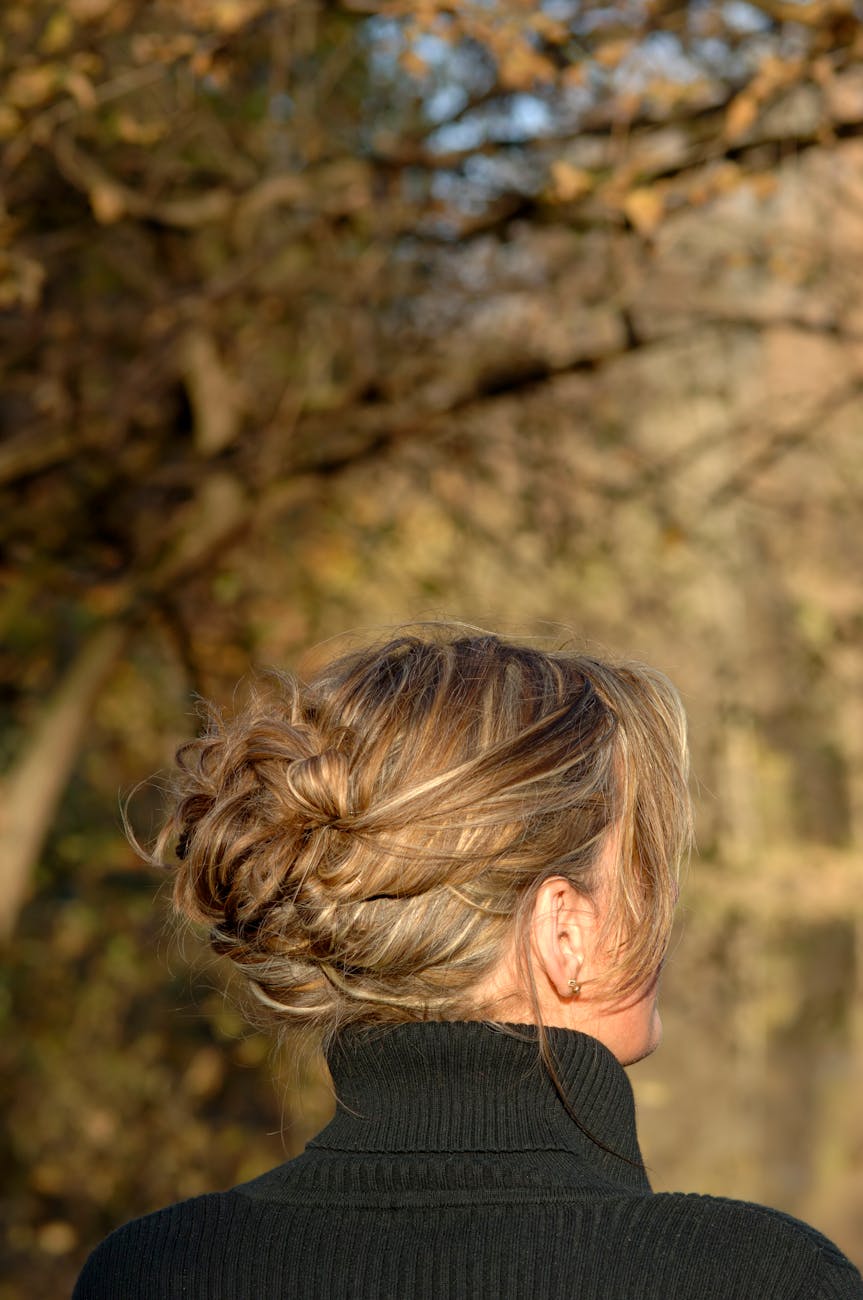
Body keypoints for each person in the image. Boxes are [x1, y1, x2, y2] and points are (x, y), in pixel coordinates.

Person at [74, 626, 863, 1299]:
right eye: (649, 867)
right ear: (566, 930)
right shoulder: (757, 1279)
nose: (668, 910)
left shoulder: (153, 1273)